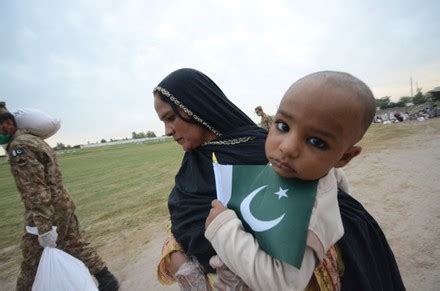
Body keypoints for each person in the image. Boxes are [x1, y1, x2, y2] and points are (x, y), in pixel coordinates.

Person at [205, 71, 405, 290]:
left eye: (316, 141)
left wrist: (223, 228)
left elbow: (280, 283)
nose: (287, 147)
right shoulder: (307, 172)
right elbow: (337, 180)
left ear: (344, 157)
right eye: (283, 126)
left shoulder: (311, 216)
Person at [153, 68, 268, 289]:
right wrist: (176, 255)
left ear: (194, 108)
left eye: (170, 118)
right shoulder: (193, 161)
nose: (167, 131)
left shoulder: (263, 150)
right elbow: (181, 220)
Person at [0, 102, 119, 291]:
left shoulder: (19, 147)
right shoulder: (35, 141)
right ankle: (106, 278)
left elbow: (35, 190)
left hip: (46, 212)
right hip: (62, 204)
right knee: (74, 242)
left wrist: (44, 228)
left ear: (7, 124)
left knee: (31, 261)